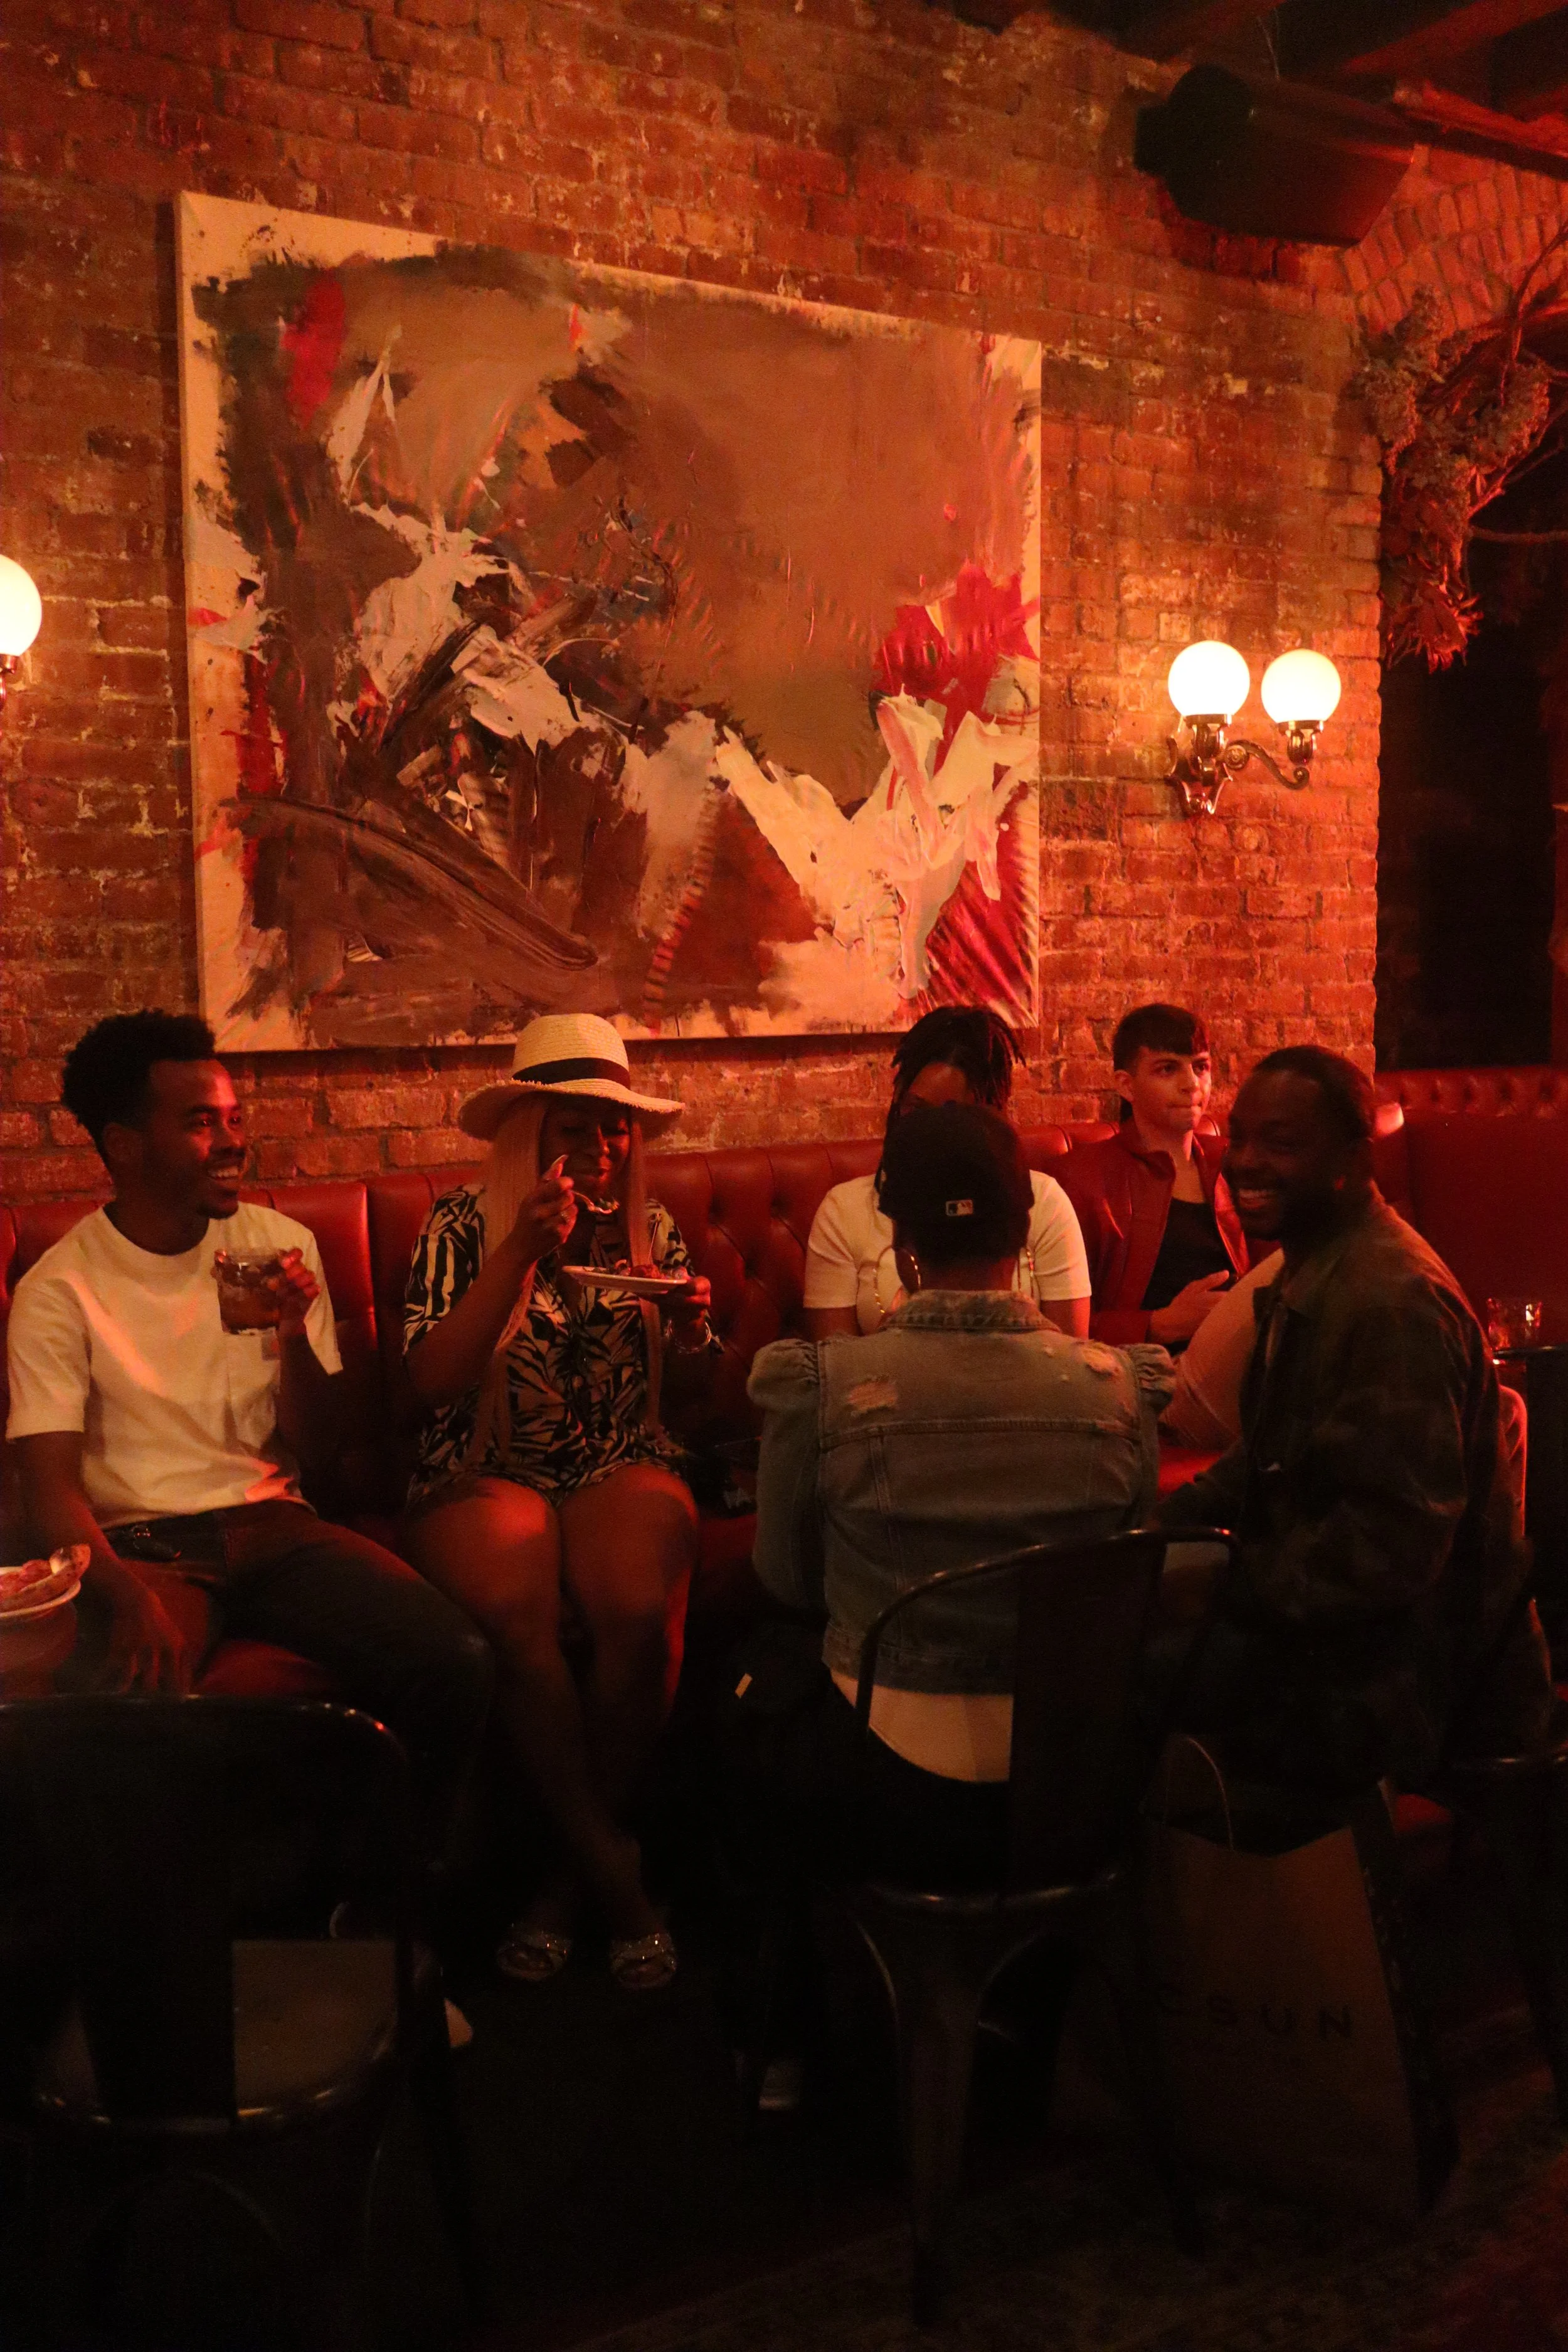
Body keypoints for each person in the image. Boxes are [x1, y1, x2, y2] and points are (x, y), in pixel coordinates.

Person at [4, 1009, 494, 1857]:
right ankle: (167, 1958)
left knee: (456, 1658)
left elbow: (324, 1445)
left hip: (277, 1526)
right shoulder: (62, 1288)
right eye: (199, 1122)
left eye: (233, 1117)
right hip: (147, 1544)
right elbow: (51, 1490)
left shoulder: (277, 1245)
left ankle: (368, 1913)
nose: (232, 1140)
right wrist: (127, 1598)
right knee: (127, 1718)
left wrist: (296, 1334)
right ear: (124, 1146)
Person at [745, 1101, 1171, 1883]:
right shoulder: (1118, 1388)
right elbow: (1121, 1582)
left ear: (903, 1245)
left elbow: (787, 1579)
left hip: (886, 1773)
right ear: (1022, 1233)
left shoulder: (824, 1385)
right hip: (1071, 1778)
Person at [402, 1014, 716, 1990]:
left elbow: (690, 1398)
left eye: (615, 1128)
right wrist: (516, 1257)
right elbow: (431, 1384)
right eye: (576, 1126)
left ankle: (563, 1889)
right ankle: (612, 1872)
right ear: (526, 1134)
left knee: (632, 1606)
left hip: (616, 1456)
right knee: (512, 1612)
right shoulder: (462, 1224)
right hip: (487, 1458)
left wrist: (696, 1336)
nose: (602, 1146)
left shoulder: (647, 1228)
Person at [1158, 1046, 1552, 1793]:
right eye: (1238, 1138)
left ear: (1352, 1156)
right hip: (1352, 1645)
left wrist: (1219, 1582)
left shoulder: (1386, 1300)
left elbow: (1389, 1552)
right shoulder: (1315, 1266)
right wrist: (1152, 1536)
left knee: (1127, 1685)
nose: (1244, 1162)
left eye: (1281, 1144)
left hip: (1413, 1680)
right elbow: (1267, 1454)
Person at [802, 1007, 1090, 1340]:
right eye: (917, 1110)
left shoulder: (1040, 1202)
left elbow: (1069, 1358)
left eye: (952, 1115)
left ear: (989, 1116)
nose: (930, 1133)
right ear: (897, 1101)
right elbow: (838, 1372)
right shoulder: (845, 1210)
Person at [1059, 1002, 1246, 1348]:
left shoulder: (1232, 1163)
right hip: (1137, 1376)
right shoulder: (1085, 1178)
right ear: (1126, 1086)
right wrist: (1155, 1326)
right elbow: (1057, 1325)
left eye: (1201, 1067)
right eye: (1167, 1069)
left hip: (1234, 1362)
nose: (1191, 1084)